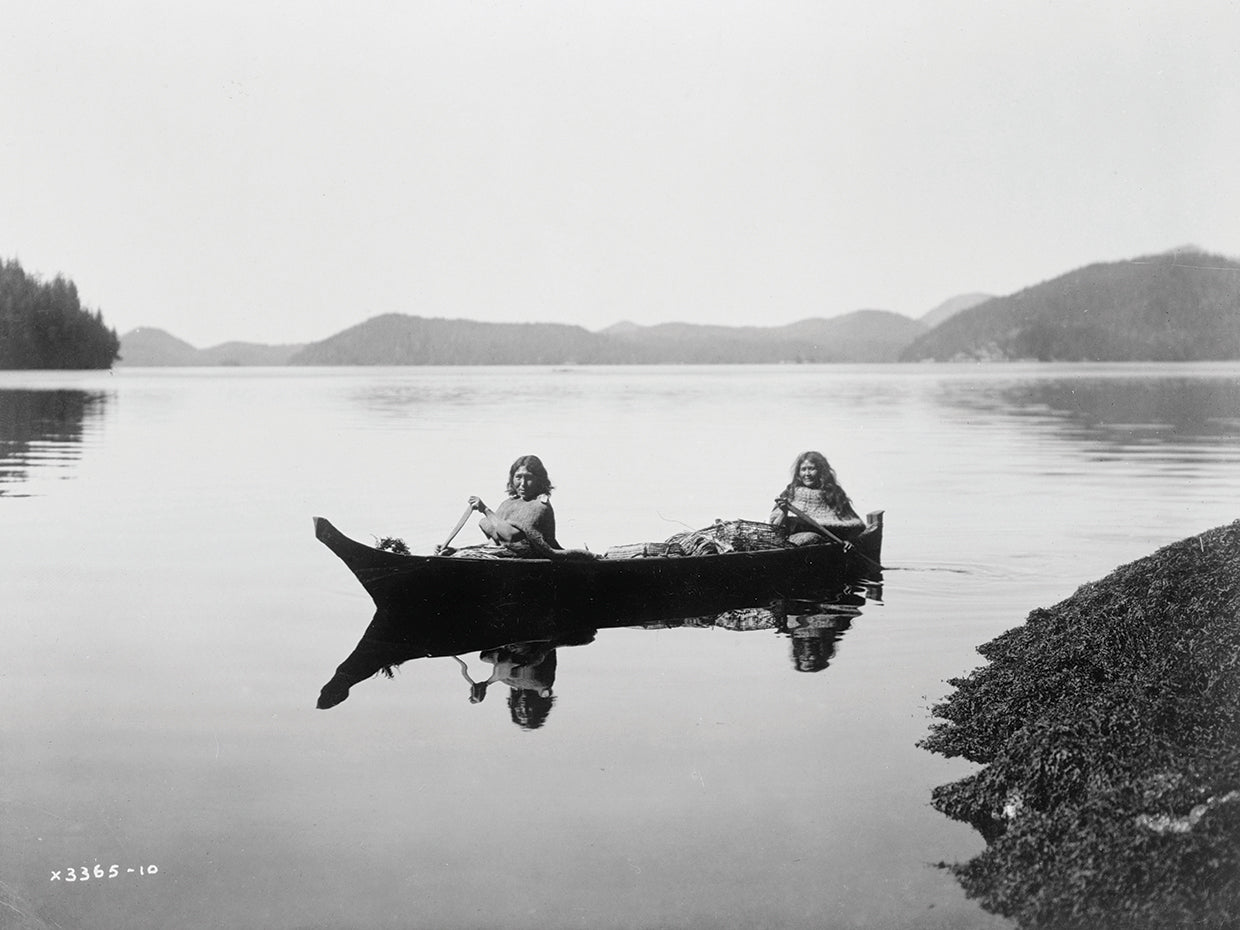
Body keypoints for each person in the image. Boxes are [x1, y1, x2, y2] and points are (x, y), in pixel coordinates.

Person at [769, 450, 865, 546]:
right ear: (798, 473)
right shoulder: (790, 492)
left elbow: (853, 525)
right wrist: (784, 512)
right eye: (803, 469)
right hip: (794, 545)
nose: (807, 474)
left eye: (811, 469)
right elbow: (775, 529)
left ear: (821, 471)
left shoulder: (834, 493)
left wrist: (849, 541)